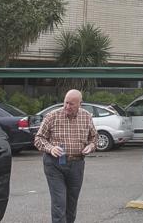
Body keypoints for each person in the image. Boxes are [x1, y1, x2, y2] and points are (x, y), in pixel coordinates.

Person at [34, 89, 98, 223]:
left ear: (80, 104)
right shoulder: (52, 116)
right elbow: (38, 139)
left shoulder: (86, 116)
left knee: (72, 204)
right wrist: (51, 148)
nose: (67, 107)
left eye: (71, 104)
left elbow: (94, 138)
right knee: (59, 203)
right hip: (55, 164)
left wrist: (91, 146)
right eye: (66, 103)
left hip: (77, 164)